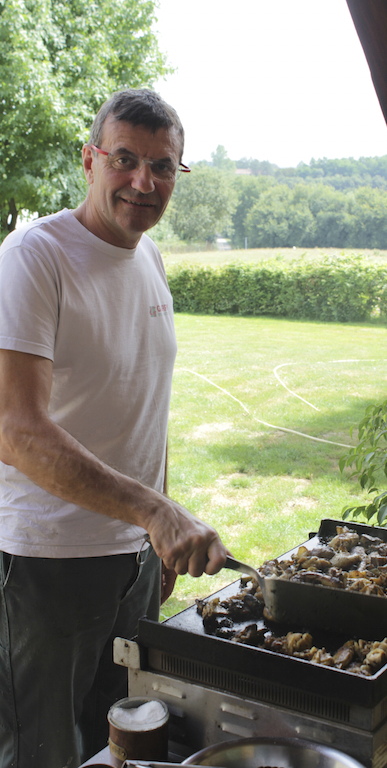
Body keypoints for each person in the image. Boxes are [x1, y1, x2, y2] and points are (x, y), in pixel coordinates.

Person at [0, 89, 227, 768]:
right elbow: (17, 429)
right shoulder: (35, 258)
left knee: (123, 744)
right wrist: (156, 511)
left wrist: (155, 530)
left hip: (132, 564)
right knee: (42, 751)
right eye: (124, 159)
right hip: (47, 565)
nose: (142, 182)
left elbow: (141, 406)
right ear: (89, 160)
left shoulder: (149, 259)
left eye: (162, 167)